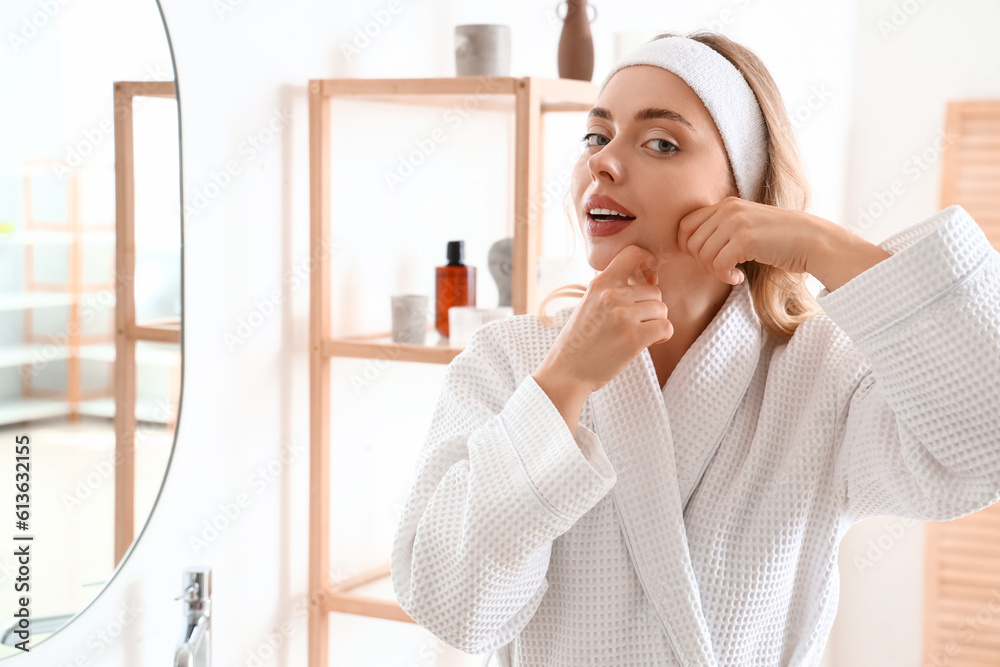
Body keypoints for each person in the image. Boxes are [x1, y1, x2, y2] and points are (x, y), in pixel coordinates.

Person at [390, 30, 1000, 667]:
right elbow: (453, 607)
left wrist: (827, 247)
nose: (603, 163)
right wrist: (563, 383)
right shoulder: (510, 361)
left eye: (661, 142)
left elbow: (984, 448)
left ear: (747, 190)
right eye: (596, 136)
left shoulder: (821, 370)